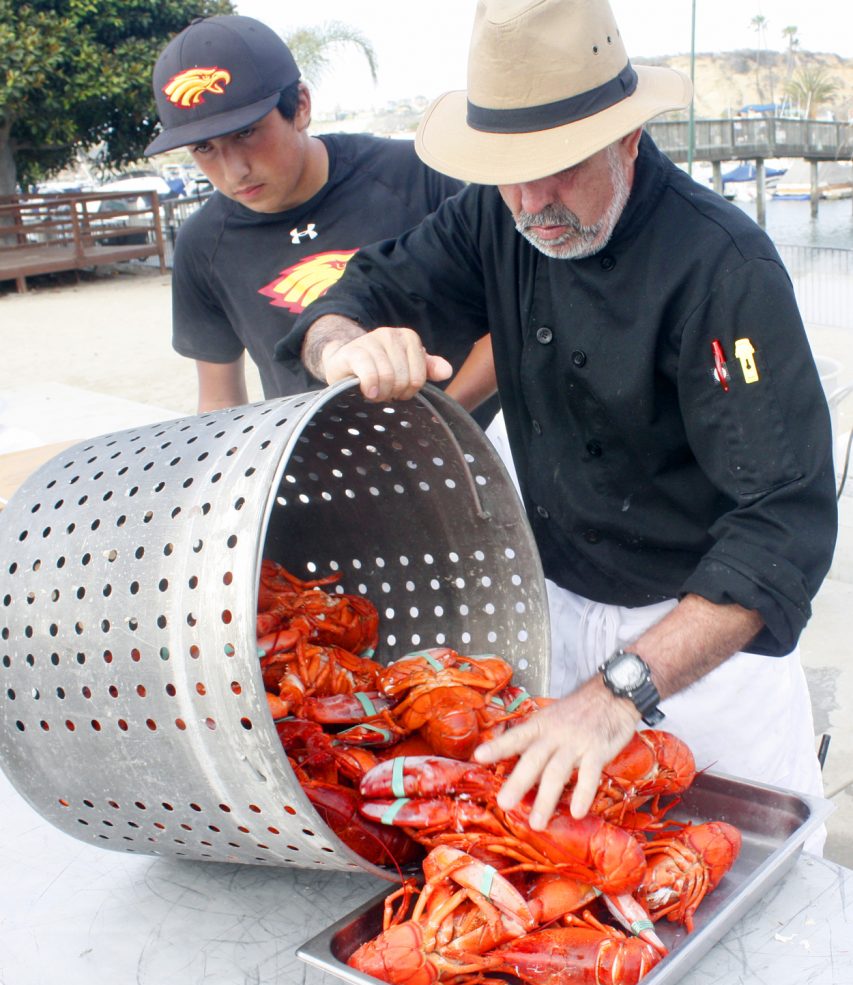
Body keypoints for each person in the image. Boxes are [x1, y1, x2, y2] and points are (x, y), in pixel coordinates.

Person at [275, 0, 838, 842]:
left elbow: (782, 528)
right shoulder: (488, 216)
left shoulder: (723, 267)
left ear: (626, 139)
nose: (533, 201)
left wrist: (619, 694)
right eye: (511, 171)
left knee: (754, 877)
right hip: (554, 610)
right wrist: (345, 346)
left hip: (700, 642)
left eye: (562, 168)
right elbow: (361, 292)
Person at [144, 14, 495, 422]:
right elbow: (220, 403)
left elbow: (507, 323)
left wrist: (441, 424)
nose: (233, 169)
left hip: (463, 440)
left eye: (246, 133)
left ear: (301, 106)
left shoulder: (414, 175)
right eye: (204, 148)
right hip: (314, 464)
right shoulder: (202, 243)